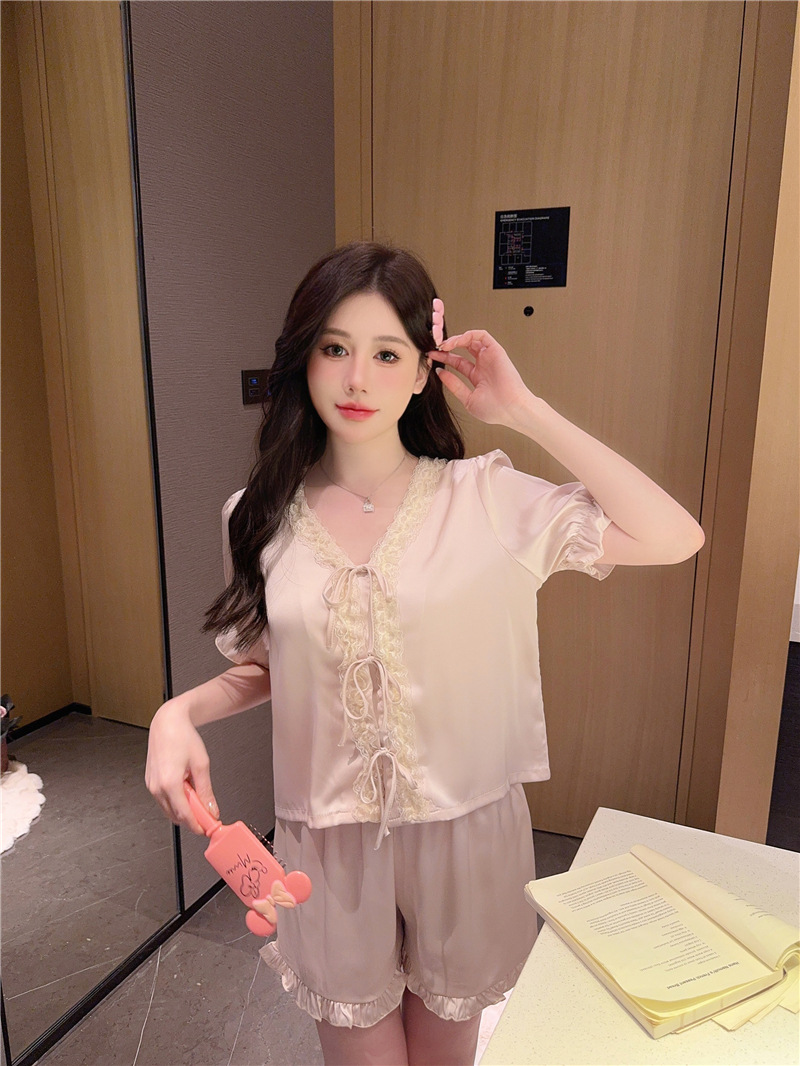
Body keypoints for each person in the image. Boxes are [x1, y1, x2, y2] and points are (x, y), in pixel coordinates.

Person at [146, 241, 704, 1066]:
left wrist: (525, 410)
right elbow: (272, 666)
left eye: (386, 353)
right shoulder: (254, 516)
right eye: (334, 348)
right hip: (329, 847)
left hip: (465, 836)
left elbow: (673, 536)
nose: (357, 379)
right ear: (304, 360)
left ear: (422, 372)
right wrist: (177, 712)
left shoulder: (486, 498)